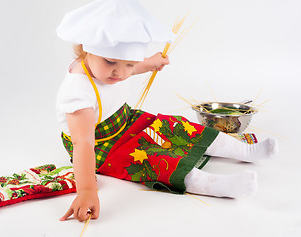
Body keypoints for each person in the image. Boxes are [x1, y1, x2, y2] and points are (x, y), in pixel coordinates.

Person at [55, 0, 278, 222]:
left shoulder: (113, 67)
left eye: (130, 64)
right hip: (102, 143)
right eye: (111, 61)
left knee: (177, 127)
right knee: (153, 161)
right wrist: (86, 190)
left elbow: (125, 67)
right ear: (86, 50)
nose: (121, 73)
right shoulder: (78, 92)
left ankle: (245, 151)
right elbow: (83, 142)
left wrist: (149, 63)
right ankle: (220, 185)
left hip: (126, 120)